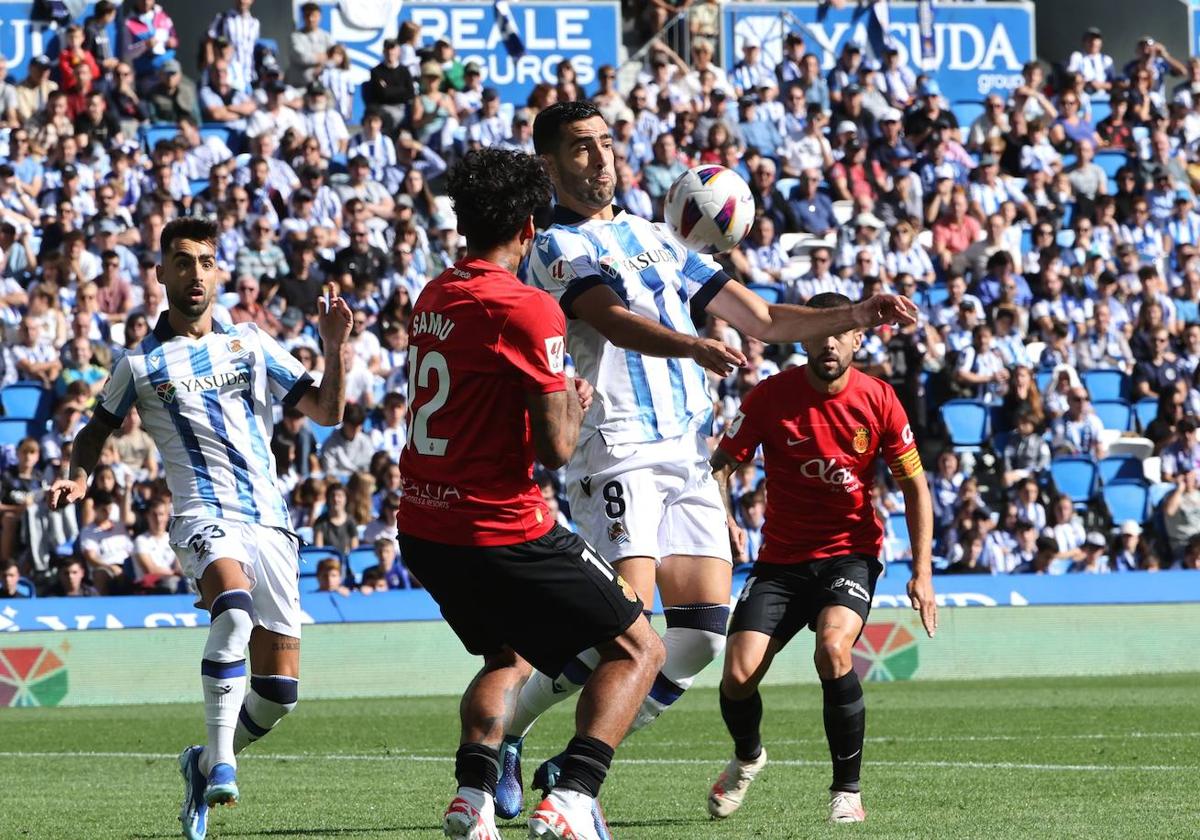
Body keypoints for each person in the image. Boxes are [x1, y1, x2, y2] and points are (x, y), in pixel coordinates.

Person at [501, 100, 917, 818]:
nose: (600, 159)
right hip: (618, 451)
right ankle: (526, 747)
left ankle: (571, 760)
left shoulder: (656, 237)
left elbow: (763, 318)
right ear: (550, 163)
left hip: (687, 454)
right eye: (580, 147)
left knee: (696, 640)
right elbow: (610, 319)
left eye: (606, 143)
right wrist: (693, 345)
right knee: (624, 630)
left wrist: (854, 314)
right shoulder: (553, 246)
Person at [49, 216, 351, 840]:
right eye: (182, 261)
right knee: (232, 613)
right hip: (202, 516)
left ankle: (202, 760)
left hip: (270, 522)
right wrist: (78, 477)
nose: (195, 273)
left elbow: (327, 411)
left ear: (219, 273)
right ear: (161, 272)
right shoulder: (139, 363)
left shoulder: (251, 343)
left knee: (279, 694)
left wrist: (334, 347)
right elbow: (94, 432)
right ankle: (222, 765)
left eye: (205, 262)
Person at [397, 147, 665, 840]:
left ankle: (473, 796)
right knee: (639, 649)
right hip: (501, 526)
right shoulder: (528, 307)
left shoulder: (434, 294)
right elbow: (556, 449)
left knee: (508, 658)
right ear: (527, 227)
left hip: (425, 525)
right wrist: (572, 398)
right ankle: (573, 797)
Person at [705, 291, 937, 823]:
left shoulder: (879, 399)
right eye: (818, 332)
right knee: (737, 676)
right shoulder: (770, 396)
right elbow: (721, 465)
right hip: (781, 561)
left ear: (858, 338)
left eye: (839, 334)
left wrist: (922, 571)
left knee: (833, 649)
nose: (828, 343)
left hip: (848, 556)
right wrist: (726, 521)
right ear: (802, 336)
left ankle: (846, 792)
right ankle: (748, 757)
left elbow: (915, 488)